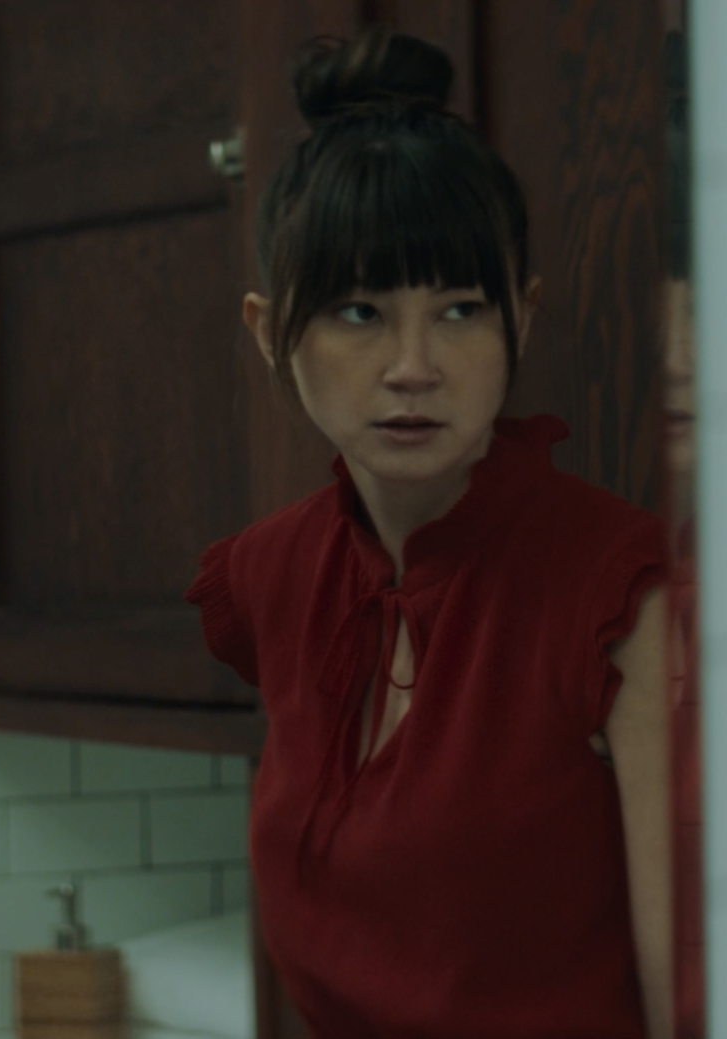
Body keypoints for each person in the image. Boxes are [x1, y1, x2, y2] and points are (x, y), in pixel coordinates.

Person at [182, 27, 672, 1039]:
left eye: (459, 310)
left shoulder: (619, 594)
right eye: (360, 312)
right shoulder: (273, 576)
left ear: (520, 321)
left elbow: (691, 1000)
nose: (414, 367)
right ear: (268, 331)